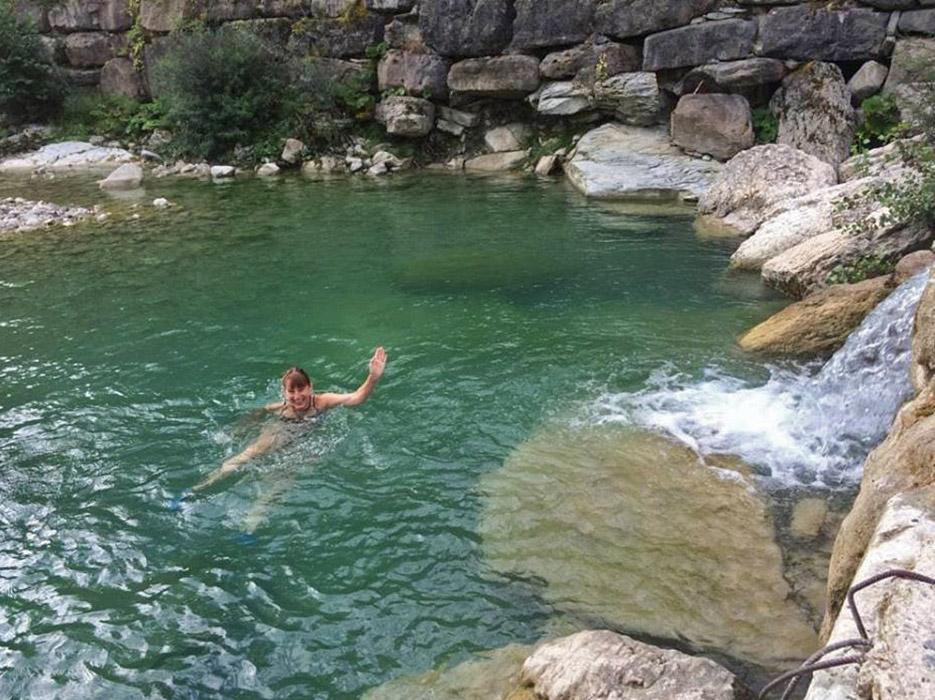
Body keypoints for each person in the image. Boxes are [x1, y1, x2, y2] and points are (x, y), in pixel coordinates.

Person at [169, 346, 387, 509]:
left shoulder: (322, 402)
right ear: (284, 393)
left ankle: (250, 526)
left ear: (311, 387)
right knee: (248, 454)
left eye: (301, 389)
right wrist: (240, 428)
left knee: (281, 482)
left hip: (304, 441)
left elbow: (356, 398)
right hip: (280, 429)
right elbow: (261, 411)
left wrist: (373, 377)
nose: (297, 396)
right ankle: (194, 491)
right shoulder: (281, 409)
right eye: (291, 392)